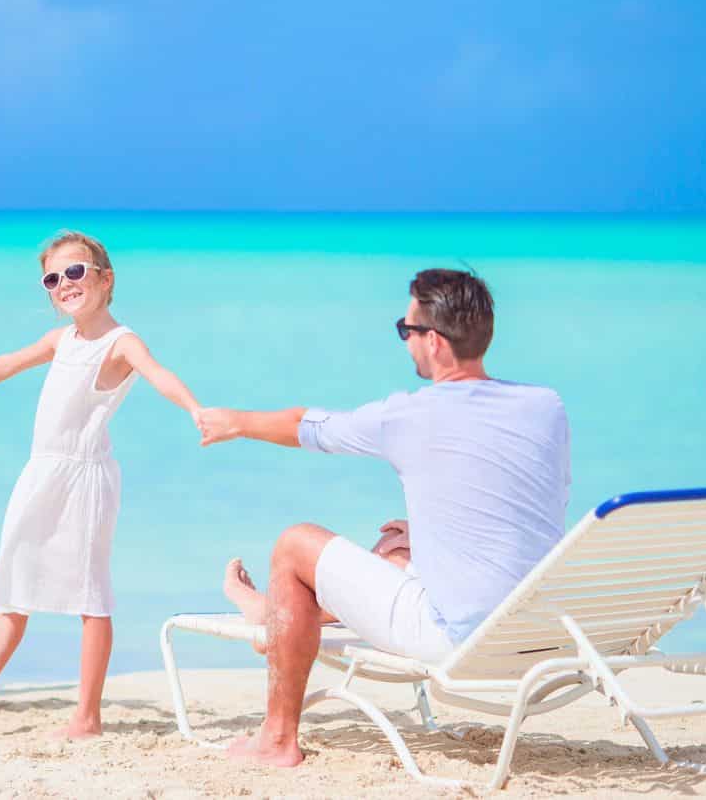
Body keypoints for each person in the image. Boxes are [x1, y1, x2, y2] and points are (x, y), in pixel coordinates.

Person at [196, 268, 570, 767]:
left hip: (460, 638)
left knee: (294, 545)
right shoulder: (545, 407)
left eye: (406, 330)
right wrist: (435, 531)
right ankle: (267, 612)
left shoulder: (407, 416)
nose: (406, 341)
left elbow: (305, 426)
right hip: (539, 633)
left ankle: (277, 739)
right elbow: (531, 503)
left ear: (434, 343)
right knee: (395, 554)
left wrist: (237, 423)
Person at [0, 231, 204, 740]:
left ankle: (87, 717)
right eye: (53, 278)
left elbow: (158, 373)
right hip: (41, 473)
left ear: (105, 278)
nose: (64, 284)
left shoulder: (121, 342)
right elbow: (6, 363)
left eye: (75, 272)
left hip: (85, 479)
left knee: (91, 597)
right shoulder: (61, 340)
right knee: (12, 588)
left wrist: (196, 411)